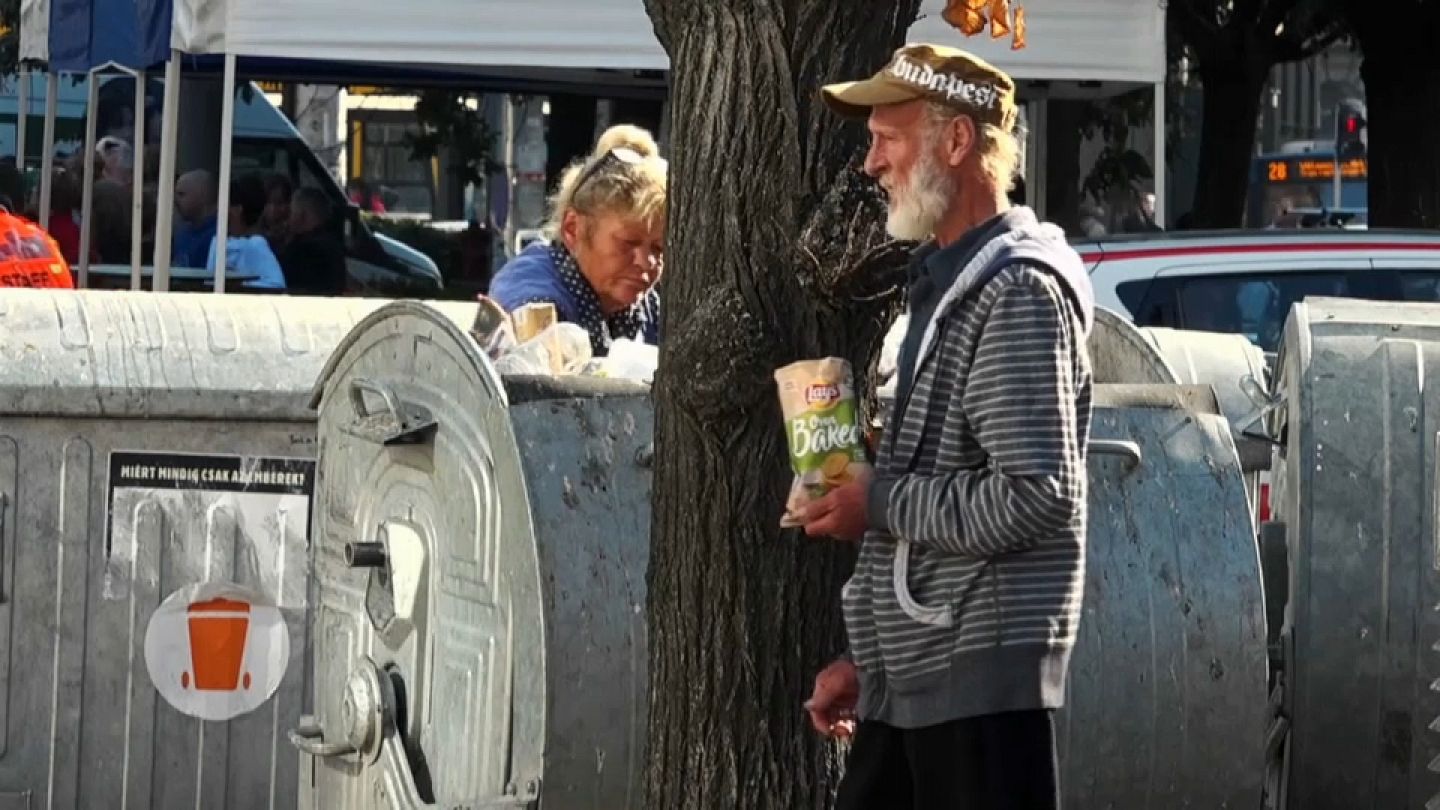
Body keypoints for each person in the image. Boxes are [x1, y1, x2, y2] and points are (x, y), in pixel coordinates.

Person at [801, 44, 1095, 810]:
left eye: (885, 139)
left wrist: (880, 500)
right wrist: (874, 665)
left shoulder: (1018, 292)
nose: (870, 165)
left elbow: (1036, 494)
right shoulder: (950, 281)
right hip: (923, 684)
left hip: (981, 692)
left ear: (958, 143)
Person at [488, 124, 666, 356]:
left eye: (659, 248)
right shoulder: (532, 295)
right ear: (572, 230)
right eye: (628, 242)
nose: (647, 262)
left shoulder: (646, 307)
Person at [207, 173, 286, 291]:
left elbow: (276, 286)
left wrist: (238, 288)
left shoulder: (255, 245)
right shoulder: (218, 242)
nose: (219, 209)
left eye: (225, 204)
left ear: (238, 209)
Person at [280, 186, 348, 295]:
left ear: (301, 215)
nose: (288, 219)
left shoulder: (301, 251)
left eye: (291, 212)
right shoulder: (334, 246)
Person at [173, 170, 219, 268]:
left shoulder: (218, 237)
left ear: (202, 195)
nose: (175, 200)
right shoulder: (182, 234)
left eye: (181, 194)